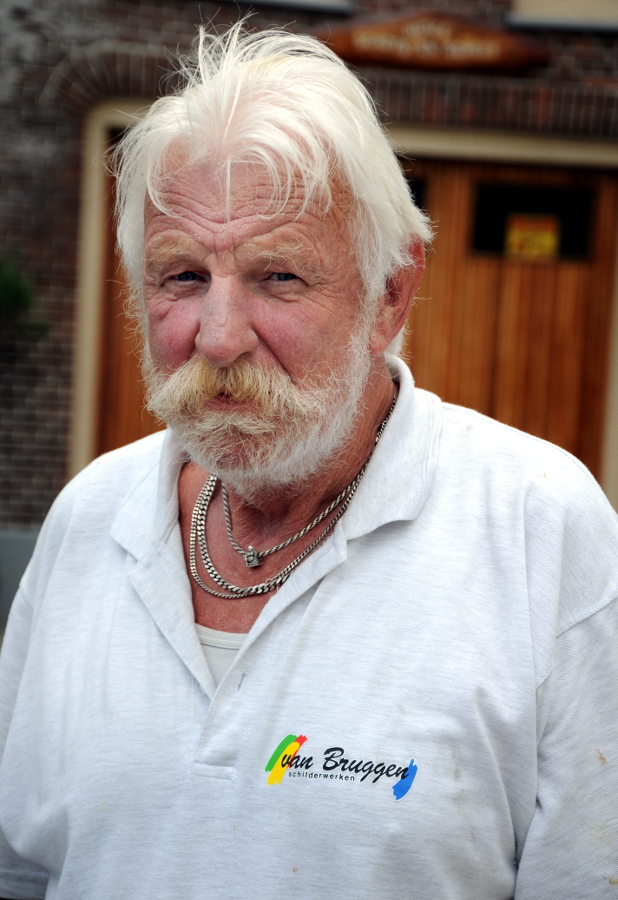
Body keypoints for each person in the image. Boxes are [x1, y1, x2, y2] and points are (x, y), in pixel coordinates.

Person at [1, 22, 617, 900]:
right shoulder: (89, 520)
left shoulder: (537, 528)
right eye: (182, 276)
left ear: (389, 295)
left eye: (279, 277)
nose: (218, 337)